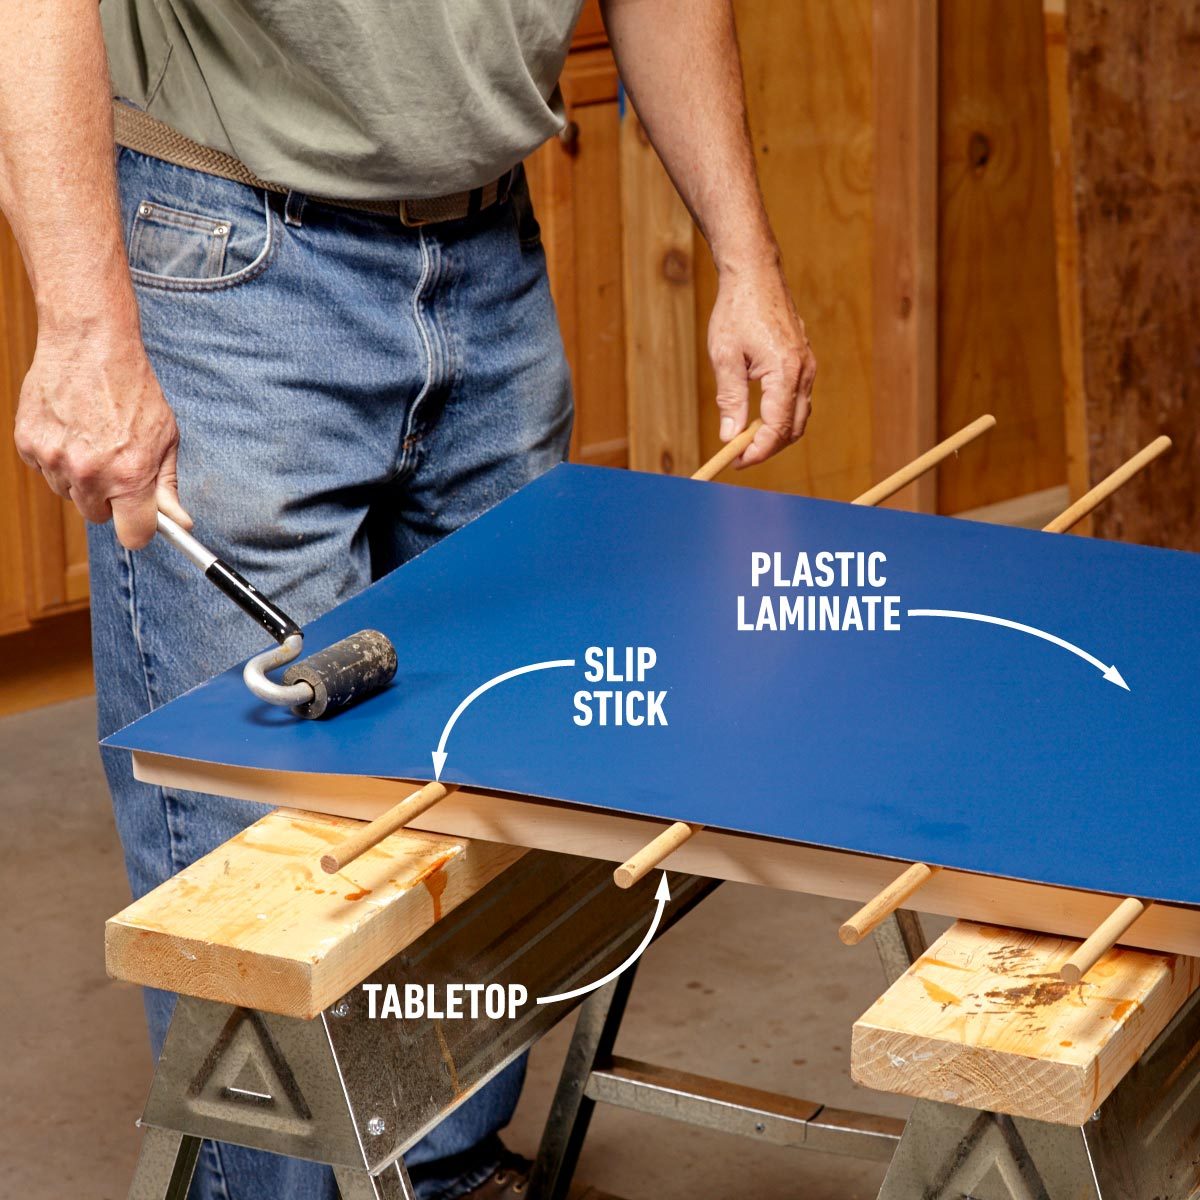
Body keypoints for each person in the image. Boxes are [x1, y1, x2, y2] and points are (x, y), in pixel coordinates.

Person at [0, 2, 815, 1197]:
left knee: (488, 782)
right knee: (265, 852)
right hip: (226, 258)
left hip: (492, 261)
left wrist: (746, 253)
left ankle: (439, 1170)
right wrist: (82, 333)